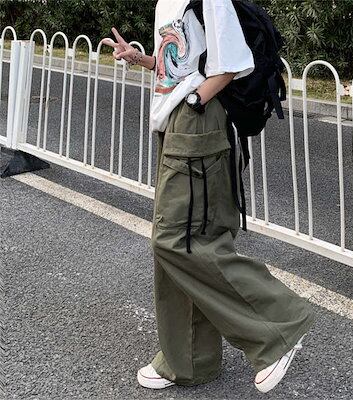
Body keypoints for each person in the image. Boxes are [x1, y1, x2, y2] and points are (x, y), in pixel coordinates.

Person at [102, 0, 315, 394]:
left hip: (196, 121)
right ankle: (189, 361)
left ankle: (280, 325)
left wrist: (195, 101)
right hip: (175, 122)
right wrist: (142, 59)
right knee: (185, 240)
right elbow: (183, 65)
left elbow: (231, 62)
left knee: (178, 239)